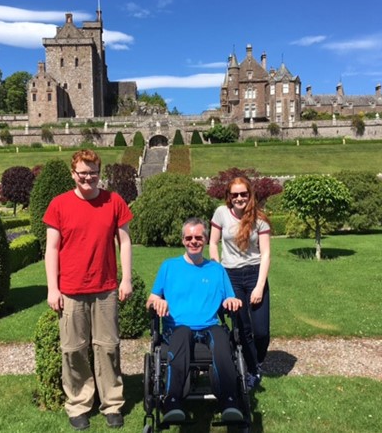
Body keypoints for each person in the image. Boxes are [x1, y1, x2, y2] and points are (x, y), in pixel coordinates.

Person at [44, 149, 133, 431]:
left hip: (105, 287)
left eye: (93, 172)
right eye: (82, 173)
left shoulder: (114, 201)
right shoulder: (59, 205)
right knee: (73, 350)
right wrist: (52, 288)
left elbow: (125, 242)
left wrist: (126, 278)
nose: (88, 178)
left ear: (99, 172)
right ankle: (79, 404)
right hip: (70, 289)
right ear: (73, 174)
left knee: (108, 348)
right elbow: (51, 249)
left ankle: (112, 403)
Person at [147, 218, 244, 424]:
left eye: (198, 237)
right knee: (182, 334)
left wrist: (232, 300)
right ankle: (172, 401)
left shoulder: (217, 270)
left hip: (209, 324)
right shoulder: (169, 267)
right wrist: (157, 303)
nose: (193, 241)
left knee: (220, 336)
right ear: (183, 240)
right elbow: (152, 299)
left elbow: (229, 297)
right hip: (177, 327)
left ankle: (229, 401)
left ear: (206, 239)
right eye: (189, 237)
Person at [209, 176, 271, 389]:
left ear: (249, 194)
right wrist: (218, 271)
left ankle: (258, 359)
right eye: (234, 194)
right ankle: (252, 370)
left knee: (261, 331)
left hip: (255, 273)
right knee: (242, 328)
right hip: (230, 275)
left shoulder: (259, 218)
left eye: (243, 194)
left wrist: (260, 286)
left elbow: (266, 253)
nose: (239, 198)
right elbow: (213, 243)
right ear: (229, 197)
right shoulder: (221, 214)